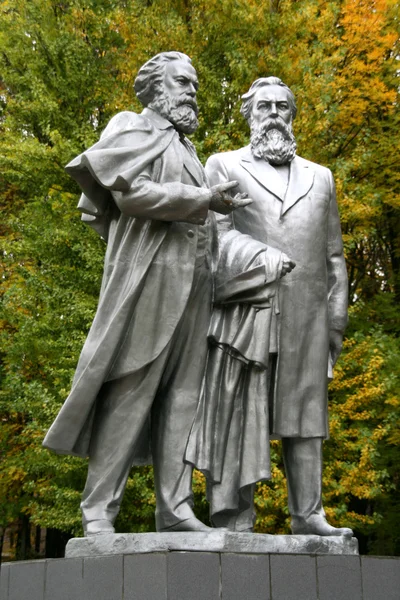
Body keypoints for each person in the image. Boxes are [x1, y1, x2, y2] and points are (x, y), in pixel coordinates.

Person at [43, 52, 250, 535]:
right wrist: (204, 199)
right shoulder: (129, 126)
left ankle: (174, 509)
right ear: (156, 88)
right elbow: (128, 194)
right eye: (183, 82)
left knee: (182, 397)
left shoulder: (188, 149)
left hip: (195, 287)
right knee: (130, 388)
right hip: (149, 280)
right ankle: (99, 511)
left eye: (195, 84)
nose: (192, 92)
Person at [191, 76, 353, 537]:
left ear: (293, 114)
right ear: (249, 115)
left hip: (307, 319)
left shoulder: (320, 176)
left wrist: (335, 322)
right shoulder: (223, 165)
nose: (274, 114)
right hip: (246, 314)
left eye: (283, 106)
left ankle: (309, 514)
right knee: (237, 410)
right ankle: (233, 517)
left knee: (305, 417)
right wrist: (260, 258)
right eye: (264, 107)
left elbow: (334, 256)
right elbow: (211, 239)